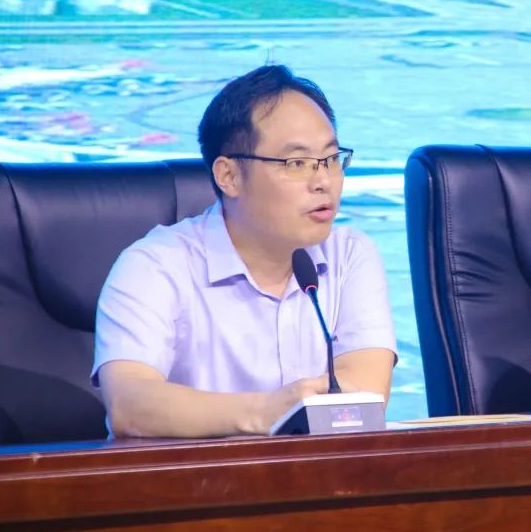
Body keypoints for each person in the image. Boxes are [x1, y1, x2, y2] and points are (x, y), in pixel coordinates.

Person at [92, 65, 397, 437]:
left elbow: (364, 395)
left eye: (331, 159)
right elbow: (130, 405)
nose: (324, 181)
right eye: (296, 163)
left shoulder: (348, 255)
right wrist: (266, 412)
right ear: (229, 176)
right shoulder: (154, 266)